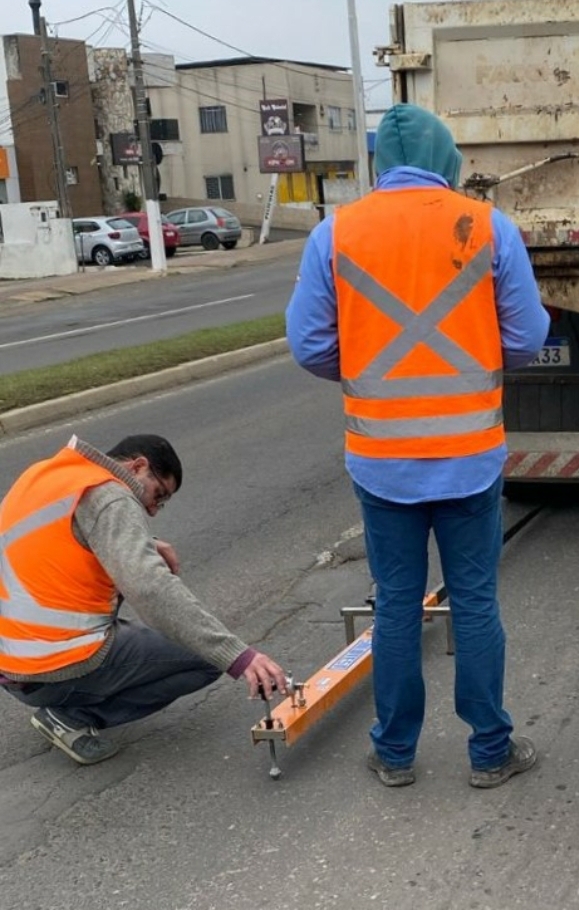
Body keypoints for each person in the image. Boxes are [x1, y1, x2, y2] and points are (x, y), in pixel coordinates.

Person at [286, 103, 550, 789]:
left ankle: (395, 754)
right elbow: (524, 339)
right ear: (445, 157)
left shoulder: (335, 233)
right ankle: (490, 750)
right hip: (470, 456)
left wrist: (374, 365)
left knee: (396, 604)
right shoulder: (490, 228)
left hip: (381, 463)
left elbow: (310, 344)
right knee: (476, 602)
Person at [0, 434, 288, 765]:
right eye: (157, 495)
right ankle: (74, 716)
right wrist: (238, 657)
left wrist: (144, 540)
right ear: (138, 467)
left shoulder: (49, 473)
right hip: (56, 664)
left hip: (12, 661)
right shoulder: (111, 497)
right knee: (206, 658)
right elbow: (151, 589)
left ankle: (72, 700)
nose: (151, 510)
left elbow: (48, 542)